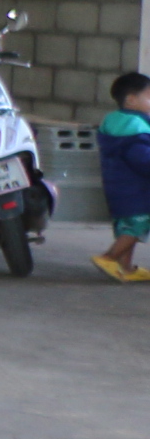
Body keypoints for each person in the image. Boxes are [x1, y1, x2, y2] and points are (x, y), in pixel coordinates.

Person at [96, 70, 150, 282]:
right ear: (131, 100)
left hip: (118, 190)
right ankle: (108, 257)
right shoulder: (136, 129)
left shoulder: (115, 123)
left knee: (126, 229)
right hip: (137, 192)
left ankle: (125, 268)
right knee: (136, 229)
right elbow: (142, 159)